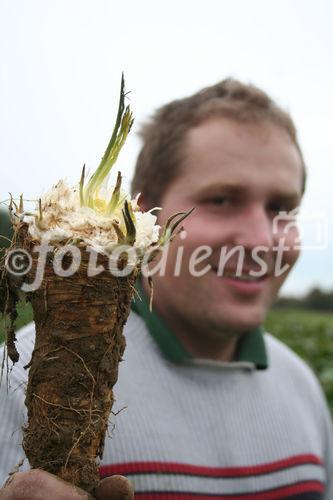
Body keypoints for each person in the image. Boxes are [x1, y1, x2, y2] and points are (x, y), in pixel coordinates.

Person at [0, 79, 332, 499]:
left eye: (281, 209)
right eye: (222, 199)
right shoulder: (11, 386)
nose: (262, 239)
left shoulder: (302, 386)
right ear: (141, 221)